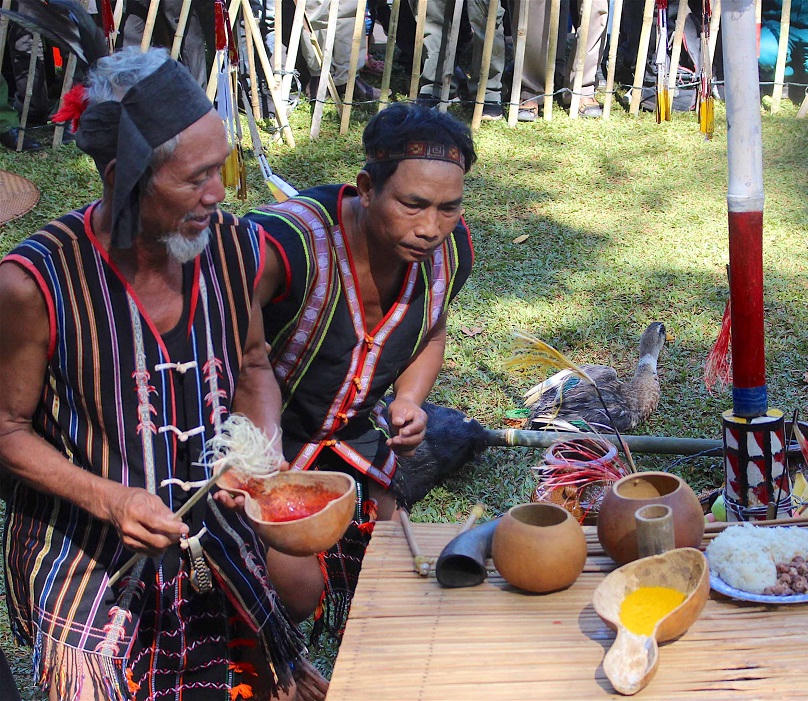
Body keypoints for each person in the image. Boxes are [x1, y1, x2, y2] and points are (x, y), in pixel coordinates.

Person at [0, 47, 322, 700]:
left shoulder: (234, 247)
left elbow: (253, 363)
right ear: (124, 178)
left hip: (212, 527)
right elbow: (6, 427)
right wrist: (111, 500)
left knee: (283, 633)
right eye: (196, 178)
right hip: (89, 551)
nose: (218, 194)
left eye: (222, 167)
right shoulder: (35, 283)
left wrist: (259, 453)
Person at [245, 102, 475, 632]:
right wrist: (253, 460)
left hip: (349, 436)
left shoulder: (450, 252)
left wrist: (409, 400)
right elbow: (226, 355)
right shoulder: (283, 246)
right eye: (413, 204)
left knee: (391, 570)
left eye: (448, 208)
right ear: (367, 188)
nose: (431, 227)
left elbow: (431, 328)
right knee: (299, 595)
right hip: (259, 442)